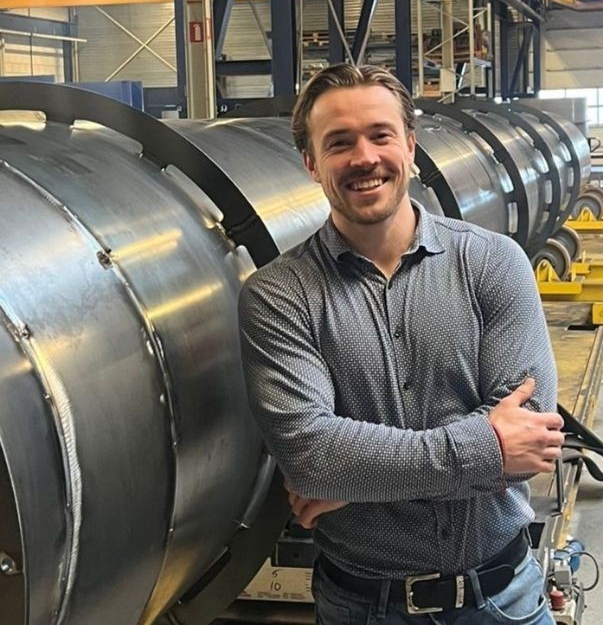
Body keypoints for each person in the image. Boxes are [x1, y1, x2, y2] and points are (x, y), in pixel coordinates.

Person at [238, 63, 565, 624]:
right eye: (339, 143)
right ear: (311, 164)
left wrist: (356, 482)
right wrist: (486, 448)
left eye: (380, 135)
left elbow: (531, 438)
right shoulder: (279, 295)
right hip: (364, 607)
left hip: (503, 598)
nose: (364, 157)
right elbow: (311, 455)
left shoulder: (492, 262)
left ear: (410, 147)